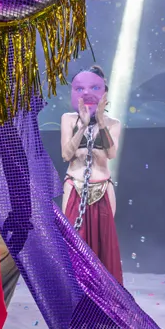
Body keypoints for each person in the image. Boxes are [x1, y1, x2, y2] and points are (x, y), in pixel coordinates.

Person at [60, 65, 123, 284]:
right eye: (81, 89)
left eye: (95, 88)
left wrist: (101, 123)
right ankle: (76, 295)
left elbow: (111, 153)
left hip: (103, 187)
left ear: (104, 93)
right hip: (74, 186)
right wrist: (83, 127)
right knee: (73, 242)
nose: (88, 94)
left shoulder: (113, 124)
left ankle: (104, 296)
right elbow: (66, 154)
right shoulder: (69, 119)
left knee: (104, 244)